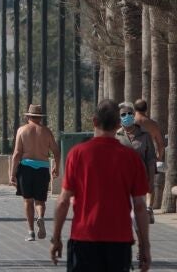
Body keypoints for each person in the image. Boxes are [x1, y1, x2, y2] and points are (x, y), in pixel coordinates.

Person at [50, 99, 151, 272]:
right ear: (118, 124)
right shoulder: (131, 158)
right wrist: (144, 247)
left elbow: (63, 201)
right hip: (119, 241)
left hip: (83, 239)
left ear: (94, 121)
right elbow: (140, 206)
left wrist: (56, 237)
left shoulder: (77, 154)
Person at [10, 104, 61, 242]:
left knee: (28, 200)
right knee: (40, 200)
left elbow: (16, 154)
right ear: (40, 118)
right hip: (43, 168)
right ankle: (41, 217)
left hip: (26, 168)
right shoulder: (46, 131)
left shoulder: (22, 130)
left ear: (28, 117)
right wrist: (56, 166)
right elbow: (56, 152)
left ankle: (31, 232)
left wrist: (12, 173)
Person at [116, 102, 156, 224]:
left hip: (140, 179)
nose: (127, 116)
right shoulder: (116, 136)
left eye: (129, 113)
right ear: (119, 117)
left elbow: (150, 160)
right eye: (123, 114)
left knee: (138, 214)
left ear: (134, 115)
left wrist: (151, 181)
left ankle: (142, 239)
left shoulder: (145, 135)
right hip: (122, 181)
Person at [134, 98, 166, 211]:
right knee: (150, 183)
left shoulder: (131, 123)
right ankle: (148, 207)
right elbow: (161, 144)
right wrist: (159, 157)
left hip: (132, 156)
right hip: (149, 156)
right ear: (146, 109)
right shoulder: (153, 124)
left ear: (135, 109)